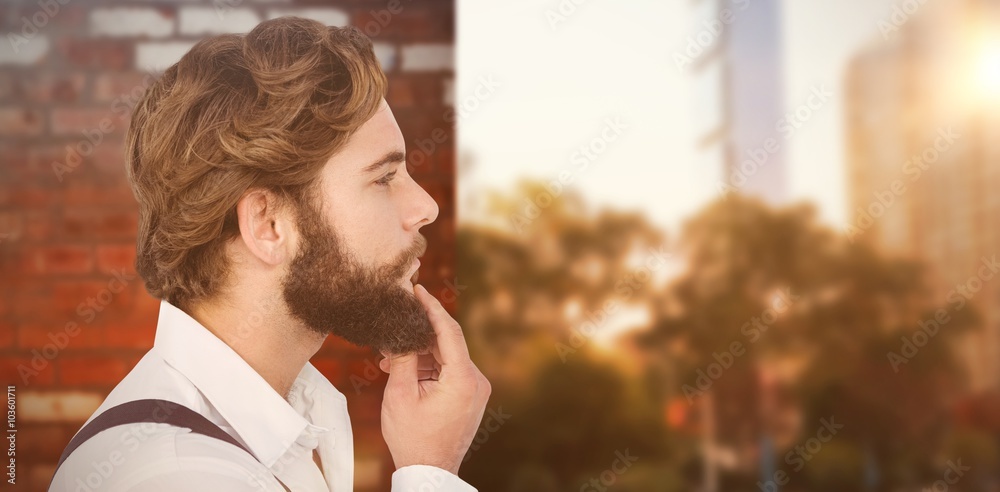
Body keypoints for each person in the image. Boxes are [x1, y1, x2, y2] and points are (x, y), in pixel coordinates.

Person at [48, 16, 490, 492]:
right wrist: (431, 470)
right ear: (268, 225)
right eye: (384, 178)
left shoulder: (288, 415)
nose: (426, 207)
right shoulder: (179, 476)